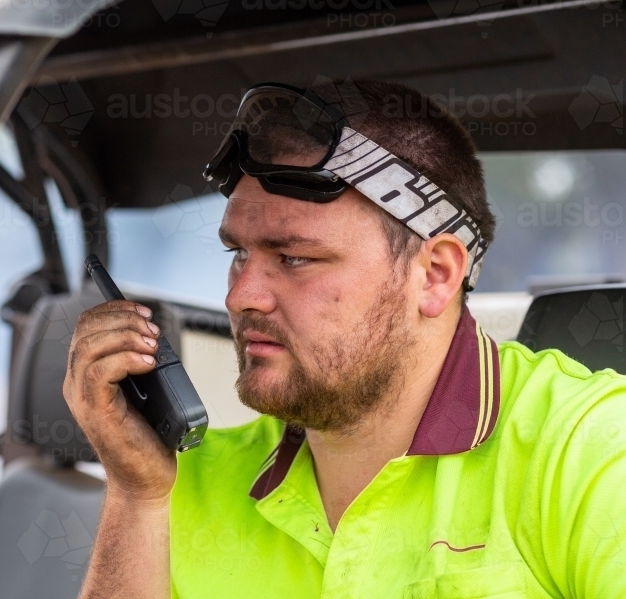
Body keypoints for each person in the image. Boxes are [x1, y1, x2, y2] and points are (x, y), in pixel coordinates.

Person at [62, 79, 626, 598]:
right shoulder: (177, 486)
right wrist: (136, 496)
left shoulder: (589, 452)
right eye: (238, 255)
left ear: (435, 274)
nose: (241, 297)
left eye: (295, 258)